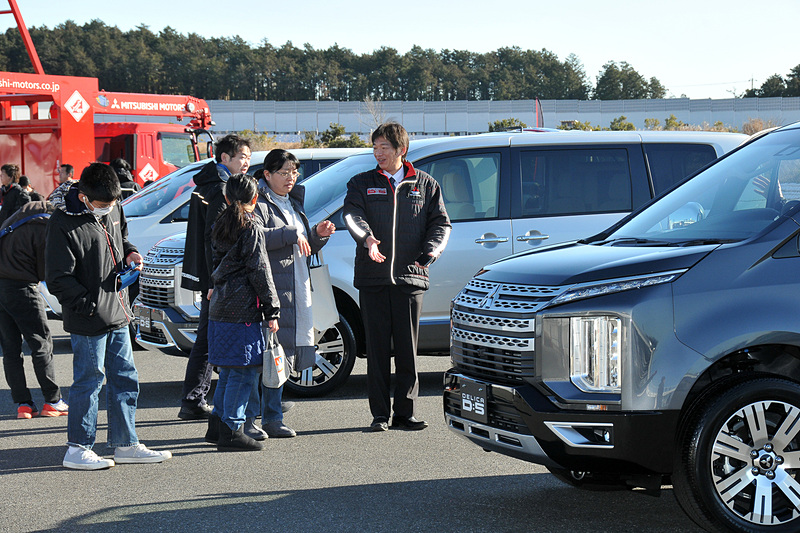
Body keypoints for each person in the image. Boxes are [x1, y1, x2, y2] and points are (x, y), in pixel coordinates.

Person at [46, 163, 171, 470]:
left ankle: (125, 443)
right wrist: (88, 304)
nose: (108, 210)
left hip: (118, 310)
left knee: (125, 377)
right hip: (88, 316)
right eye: (102, 205)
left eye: (112, 204)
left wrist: (130, 252)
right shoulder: (62, 222)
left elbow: (121, 236)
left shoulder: (113, 208)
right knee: (89, 381)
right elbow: (58, 278)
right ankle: (77, 448)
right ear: (84, 195)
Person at [343, 122, 450, 432]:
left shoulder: (426, 184)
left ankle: (405, 413)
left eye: (384, 147)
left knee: (407, 350)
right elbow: (351, 215)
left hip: (409, 279)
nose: (378, 153)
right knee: (376, 351)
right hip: (372, 279)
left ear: (401, 150)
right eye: (375, 147)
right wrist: (367, 239)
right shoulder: (360, 183)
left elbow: (442, 225)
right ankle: (379, 415)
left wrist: (428, 253)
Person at [253, 150, 335, 438]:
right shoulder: (259, 202)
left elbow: (302, 245)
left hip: (297, 285)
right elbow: (255, 237)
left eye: (294, 172)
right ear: (267, 175)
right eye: (284, 172)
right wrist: (291, 233)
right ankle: (262, 418)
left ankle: (271, 415)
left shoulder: (292, 202)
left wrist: (318, 234)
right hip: (273, 288)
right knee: (269, 354)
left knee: (281, 353)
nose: (291, 177)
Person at [178, 134, 251, 420]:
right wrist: (214, 281)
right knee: (209, 340)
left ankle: (193, 398)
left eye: (247, 156)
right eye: (242, 156)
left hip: (209, 277)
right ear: (225, 158)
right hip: (216, 280)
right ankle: (193, 399)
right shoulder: (220, 189)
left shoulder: (208, 183)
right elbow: (215, 240)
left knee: (208, 339)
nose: (246, 162)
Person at [206, 174, 280, 451]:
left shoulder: (220, 223)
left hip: (220, 306)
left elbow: (215, 262)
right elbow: (259, 270)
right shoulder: (251, 227)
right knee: (243, 371)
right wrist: (273, 308)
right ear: (255, 199)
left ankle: (218, 425)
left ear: (226, 198)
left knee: (228, 370)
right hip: (243, 309)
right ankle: (232, 429)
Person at [0, 200, 68, 419]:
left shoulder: (14, 220)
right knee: (41, 343)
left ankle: (23, 405)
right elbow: (45, 271)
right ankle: (52, 401)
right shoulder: (46, 226)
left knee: (10, 349)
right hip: (23, 288)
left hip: (0, 287)